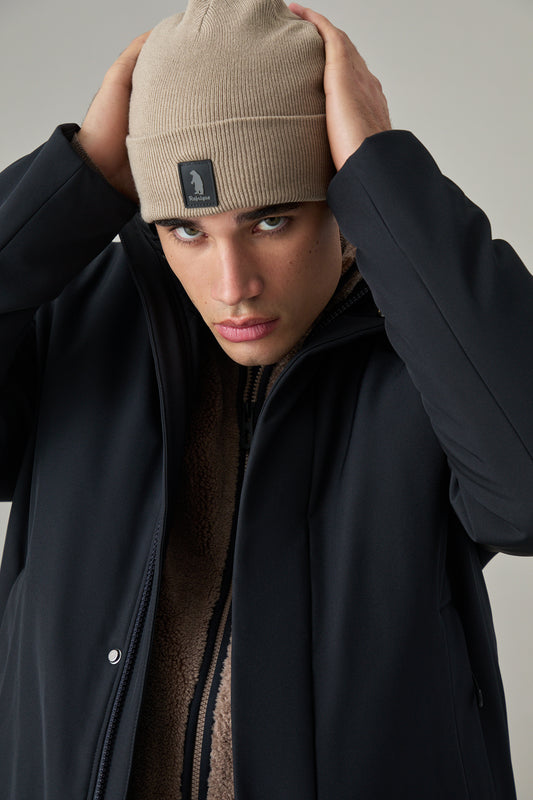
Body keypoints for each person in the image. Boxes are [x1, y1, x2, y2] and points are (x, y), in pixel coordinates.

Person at [0, 0, 532, 797]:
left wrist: (384, 174)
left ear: (340, 198)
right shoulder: (77, 321)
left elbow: (524, 500)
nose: (233, 286)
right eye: (186, 229)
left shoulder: (427, 342)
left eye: (272, 219)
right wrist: (72, 184)